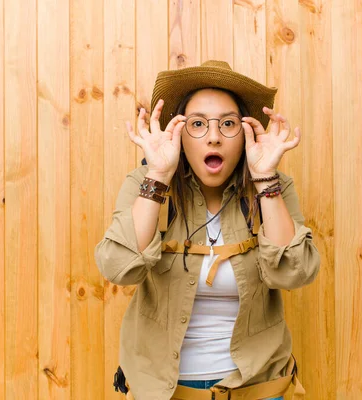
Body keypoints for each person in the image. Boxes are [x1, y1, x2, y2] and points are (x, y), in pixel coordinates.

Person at [95, 60, 320, 400]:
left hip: (258, 389)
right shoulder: (146, 185)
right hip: (163, 391)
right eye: (197, 124)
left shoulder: (273, 187)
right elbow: (118, 268)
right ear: (179, 134)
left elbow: (294, 273)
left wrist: (264, 181)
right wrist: (157, 176)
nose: (213, 137)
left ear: (245, 134)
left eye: (228, 124)